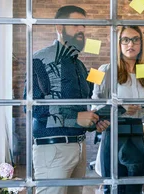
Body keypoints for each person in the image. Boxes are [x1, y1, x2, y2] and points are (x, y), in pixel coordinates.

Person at [27, 5, 110, 194]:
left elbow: (77, 110)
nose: (81, 30)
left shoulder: (79, 66)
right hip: (53, 149)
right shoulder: (39, 59)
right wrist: (76, 118)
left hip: (79, 147)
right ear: (59, 28)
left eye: (83, 25)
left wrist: (94, 121)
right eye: (74, 24)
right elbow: (32, 108)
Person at [91, 26, 144, 194]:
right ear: (119, 43)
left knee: (135, 190)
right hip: (114, 136)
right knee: (113, 189)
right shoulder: (103, 70)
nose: (131, 44)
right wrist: (121, 109)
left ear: (141, 44)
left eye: (136, 39)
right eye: (125, 40)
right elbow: (93, 107)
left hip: (137, 135)